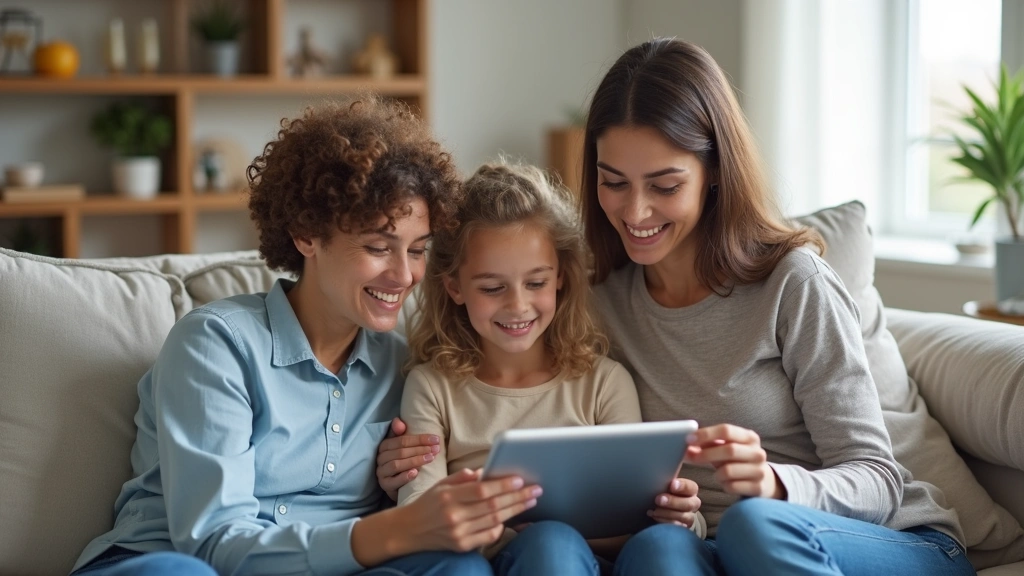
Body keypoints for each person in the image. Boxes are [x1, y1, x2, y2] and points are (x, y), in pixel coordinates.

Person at [70, 97, 540, 576]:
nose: (404, 275)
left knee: (460, 569)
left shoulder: (402, 365)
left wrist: (394, 488)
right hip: (166, 562)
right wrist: (398, 529)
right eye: (378, 247)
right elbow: (214, 544)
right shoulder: (217, 345)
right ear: (306, 235)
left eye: (417, 250)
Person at [580, 38, 974, 575]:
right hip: (718, 550)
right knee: (653, 552)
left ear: (714, 172)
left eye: (665, 184)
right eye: (613, 183)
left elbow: (877, 479)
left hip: (888, 541)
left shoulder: (793, 283)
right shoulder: (601, 302)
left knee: (755, 523)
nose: (636, 210)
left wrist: (774, 482)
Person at [396, 161, 706, 576]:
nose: (518, 305)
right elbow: (419, 515)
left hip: (590, 561)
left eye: (536, 283)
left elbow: (637, 515)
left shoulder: (602, 383)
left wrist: (680, 514)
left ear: (560, 277)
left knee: (573, 543)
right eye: (492, 288)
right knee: (545, 543)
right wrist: (508, 532)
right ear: (455, 287)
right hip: (486, 560)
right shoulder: (432, 386)